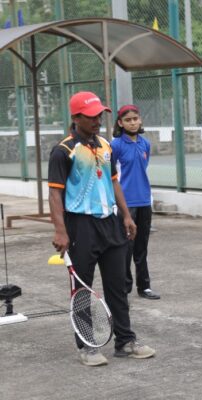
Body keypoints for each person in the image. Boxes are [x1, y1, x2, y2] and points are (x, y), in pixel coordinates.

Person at [49, 91, 155, 366]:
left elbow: (114, 182)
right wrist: (60, 230)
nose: (97, 120)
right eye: (91, 116)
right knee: (82, 288)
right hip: (80, 225)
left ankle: (125, 340)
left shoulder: (106, 145)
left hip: (110, 222)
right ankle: (88, 346)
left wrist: (126, 216)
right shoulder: (64, 150)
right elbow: (55, 194)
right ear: (76, 117)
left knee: (117, 285)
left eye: (99, 115)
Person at [110, 105, 160, 300]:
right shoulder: (115, 145)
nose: (132, 122)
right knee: (125, 247)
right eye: (128, 120)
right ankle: (124, 286)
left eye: (135, 119)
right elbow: (112, 175)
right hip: (126, 204)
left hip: (144, 201)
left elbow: (142, 170)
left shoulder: (145, 143)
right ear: (120, 123)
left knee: (141, 246)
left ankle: (144, 287)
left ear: (140, 121)